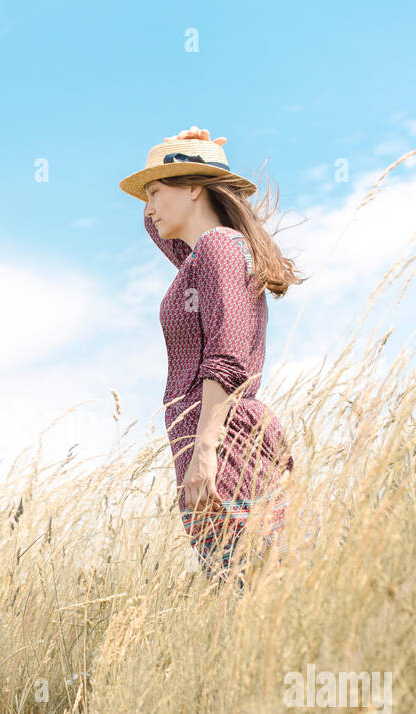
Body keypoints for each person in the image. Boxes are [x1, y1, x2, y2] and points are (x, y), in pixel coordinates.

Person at [118, 126, 306, 592]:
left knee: (251, 603)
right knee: (235, 606)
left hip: (227, 452)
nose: (150, 206)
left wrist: (204, 453)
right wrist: (172, 162)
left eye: (157, 192)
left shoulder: (220, 248)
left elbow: (227, 353)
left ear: (195, 188)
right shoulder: (198, 257)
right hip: (209, 455)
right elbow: (156, 225)